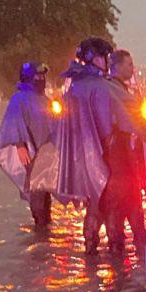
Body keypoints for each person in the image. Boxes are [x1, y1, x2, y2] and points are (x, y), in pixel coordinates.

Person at [55, 37, 114, 253]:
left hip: (78, 157)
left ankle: (90, 250)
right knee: (104, 204)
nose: (106, 61)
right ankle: (108, 253)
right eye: (104, 57)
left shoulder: (74, 86)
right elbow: (105, 126)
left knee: (93, 204)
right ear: (95, 58)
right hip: (98, 155)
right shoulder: (99, 87)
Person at [99, 48, 146, 254]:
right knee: (117, 228)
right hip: (116, 169)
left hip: (128, 171)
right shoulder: (111, 91)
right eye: (129, 65)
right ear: (117, 66)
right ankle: (120, 274)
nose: (133, 69)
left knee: (137, 225)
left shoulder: (122, 90)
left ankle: (137, 267)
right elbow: (137, 121)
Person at [0, 59, 58, 226]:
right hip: (31, 152)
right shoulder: (19, 99)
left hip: (47, 152)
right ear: (29, 78)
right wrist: (20, 146)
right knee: (37, 189)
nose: (42, 79)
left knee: (45, 190)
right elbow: (14, 123)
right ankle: (40, 227)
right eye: (38, 76)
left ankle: (45, 225)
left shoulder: (43, 98)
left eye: (43, 76)